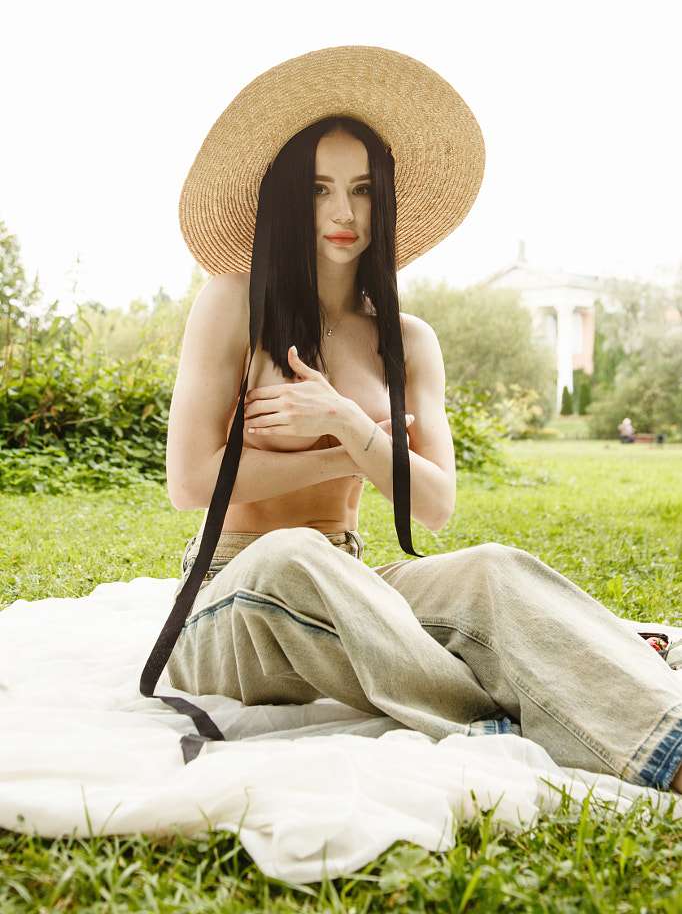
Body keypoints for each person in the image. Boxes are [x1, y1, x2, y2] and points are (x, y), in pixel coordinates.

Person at [147, 46, 682, 792]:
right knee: (294, 553)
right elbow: (188, 482)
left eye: (363, 190)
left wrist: (343, 420)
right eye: (320, 189)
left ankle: (666, 746)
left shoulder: (408, 340)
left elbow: (434, 503)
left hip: (353, 584)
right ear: (288, 201)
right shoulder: (235, 302)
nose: (343, 213)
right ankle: (501, 713)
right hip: (235, 592)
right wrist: (353, 453)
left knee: (493, 568)